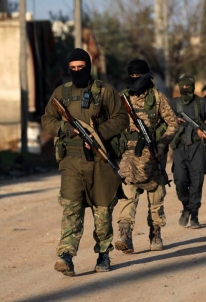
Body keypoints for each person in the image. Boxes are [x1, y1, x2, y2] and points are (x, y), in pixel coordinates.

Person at [42, 48, 129, 276]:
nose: (77, 72)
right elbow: (47, 119)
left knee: (102, 211)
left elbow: (121, 118)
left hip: (100, 161)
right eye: (73, 68)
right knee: (71, 209)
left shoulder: (105, 91)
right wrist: (64, 128)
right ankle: (66, 256)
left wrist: (98, 133)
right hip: (72, 161)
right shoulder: (61, 92)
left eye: (81, 68)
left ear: (89, 67)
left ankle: (103, 254)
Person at [114, 59, 178, 254]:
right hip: (128, 156)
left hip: (153, 155)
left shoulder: (158, 98)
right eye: (132, 76)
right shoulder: (122, 98)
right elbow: (112, 124)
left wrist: (161, 143)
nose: (135, 80)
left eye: (138, 76)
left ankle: (156, 233)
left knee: (156, 197)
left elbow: (173, 124)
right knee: (127, 196)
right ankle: (125, 235)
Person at [170, 74, 206, 229]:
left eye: (187, 86)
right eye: (182, 86)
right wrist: (174, 122)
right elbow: (163, 121)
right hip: (179, 147)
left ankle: (194, 216)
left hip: (197, 146)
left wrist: (204, 130)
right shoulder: (173, 104)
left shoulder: (201, 103)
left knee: (197, 182)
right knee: (180, 180)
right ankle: (186, 207)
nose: (185, 89)